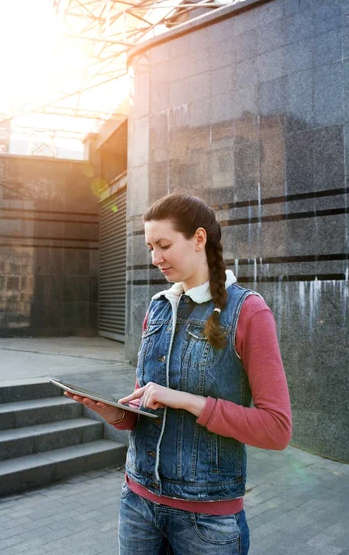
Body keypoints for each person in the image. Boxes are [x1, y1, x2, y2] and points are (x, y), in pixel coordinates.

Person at [66, 193, 292, 555]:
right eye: (150, 247)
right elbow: (150, 406)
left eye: (164, 245)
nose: (155, 258)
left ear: (199, 239)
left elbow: (277, 429)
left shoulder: (249, 312)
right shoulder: (158, 308)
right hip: (138, 503)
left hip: (207, 522)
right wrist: (118, 414)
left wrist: (186, 401)